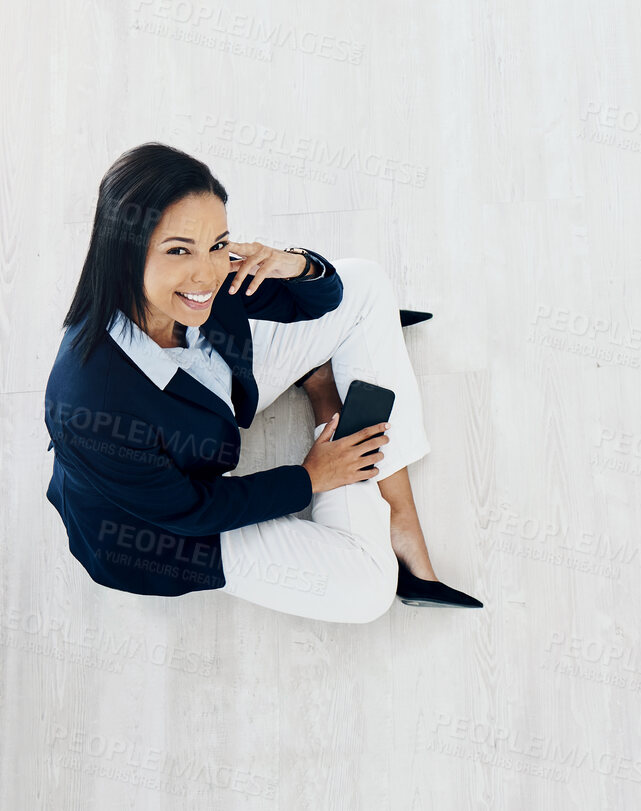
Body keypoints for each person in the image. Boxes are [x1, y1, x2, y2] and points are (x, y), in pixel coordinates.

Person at [43, 141, 481, 621]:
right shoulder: (91, 401)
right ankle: (324, 394)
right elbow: (191, 509)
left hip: (214, 408)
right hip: (171, 530)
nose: (206, 272)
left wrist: (294, 263)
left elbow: (316, 300)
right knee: (370, 590)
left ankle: (398, 513)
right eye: (178, 250)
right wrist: (310, 477)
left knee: (366, 284)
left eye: (217, 244)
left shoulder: (205, 279)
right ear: (124, 254)